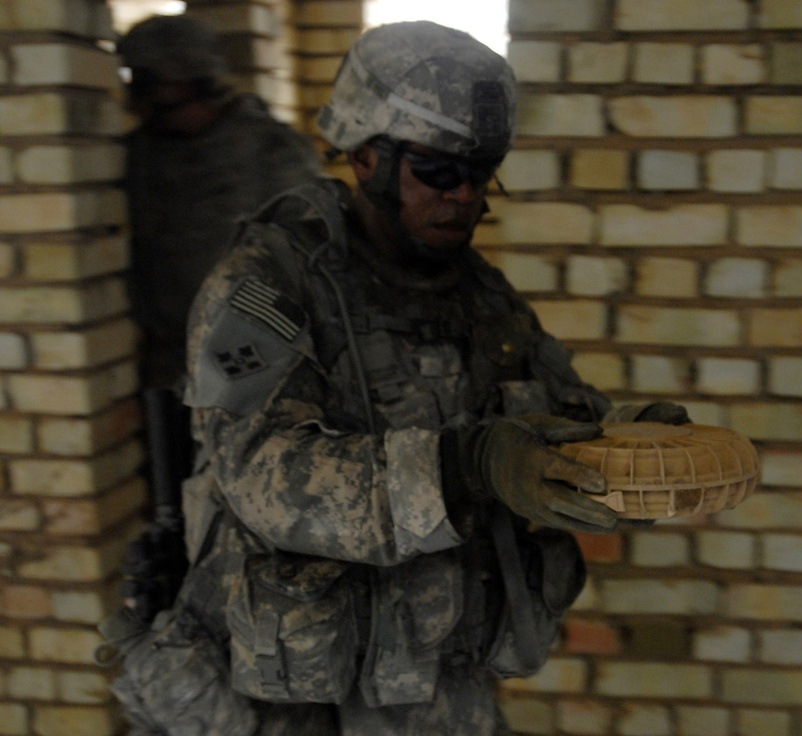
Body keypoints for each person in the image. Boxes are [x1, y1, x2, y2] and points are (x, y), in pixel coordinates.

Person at [103, 20, 689, 736]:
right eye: (438, 172)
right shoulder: (266, 290)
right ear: (366, 156)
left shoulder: (477, 293)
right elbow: (265, 476)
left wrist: (624, 446)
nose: (463, 196)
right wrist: (468, 467)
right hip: (281, 695)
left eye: (479, 172)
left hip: (430, 682)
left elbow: (556, 412)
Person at [113, 14, 321, 621]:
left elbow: (316, 277)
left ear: (198, 83)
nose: (146, 102)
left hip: (261, 380)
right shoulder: (138, 155)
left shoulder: (272, 151)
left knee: (271, 538)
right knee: (185, 537)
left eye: (159, 87)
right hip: (169, 380)